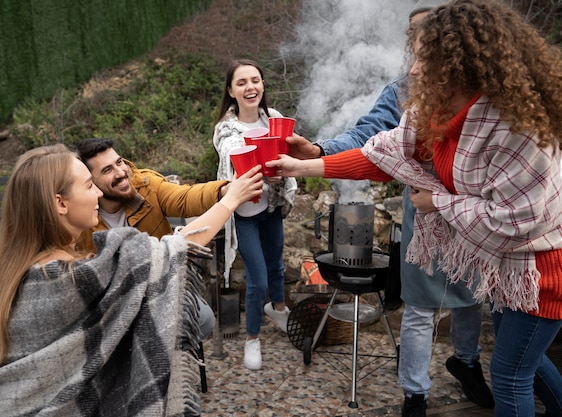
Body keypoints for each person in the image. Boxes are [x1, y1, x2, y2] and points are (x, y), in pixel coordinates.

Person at [268, 1, 562, 416]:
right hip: (500, 265)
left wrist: (438, 201)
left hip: (536, 269)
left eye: (427, 58)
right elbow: (382, 154)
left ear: (462, 64)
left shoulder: (517, 128)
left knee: (512, 375)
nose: (414, 71)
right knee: (523, 364)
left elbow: (519, 220)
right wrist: (307, 163)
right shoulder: (436, 112)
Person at [0, 143, 263, 416]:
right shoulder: (78, 277)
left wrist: (225, 194)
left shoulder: (15, 274)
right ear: (60, 203)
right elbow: (175, 247)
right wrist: (231, 199)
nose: (99, 194)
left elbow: (182, 207)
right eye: (90, 185)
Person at [75, 137, 228, 340]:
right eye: (107, 170)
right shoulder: (81, 214)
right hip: (112, 300)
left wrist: (226, 191)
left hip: (159, 284)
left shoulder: (145, 186)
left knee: (204, 319)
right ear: (90, 182)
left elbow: (185, 197)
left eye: (119, 162)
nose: (121, 173)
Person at [212, 59, 297, 370]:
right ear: (231, 91)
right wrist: (265, 170)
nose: (250, 87)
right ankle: (252, 339)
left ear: (263, 85)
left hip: (271, 207)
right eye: (242, 83)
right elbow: (233, 160)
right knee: (258, 279)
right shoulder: (227, 129)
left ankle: (279, 309)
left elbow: (288, 156)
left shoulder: (274, 119)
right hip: (245, 215)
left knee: (276, 266)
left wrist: (284, 170)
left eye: (255, 80)